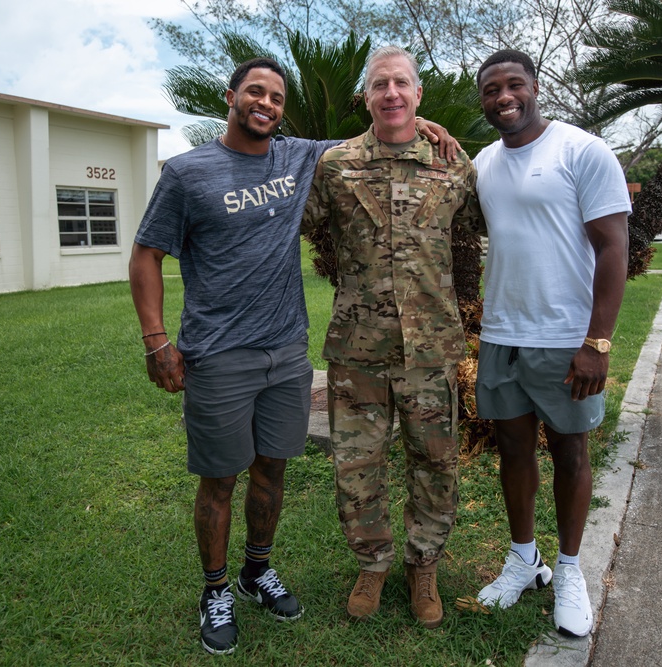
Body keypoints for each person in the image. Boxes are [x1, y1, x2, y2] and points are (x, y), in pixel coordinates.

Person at [129, 57, 459, 655]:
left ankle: (259, 571)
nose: (266, 103)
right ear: (230, 96)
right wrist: (157, 341)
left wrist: (422, 121)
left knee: (273, 469)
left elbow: (386, 131)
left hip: (285, 349)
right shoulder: (188, 172)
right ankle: (216, 589)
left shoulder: (301, 156)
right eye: (255, 92)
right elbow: (146, 253)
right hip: (219, 351)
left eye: (276, 97)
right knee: (220, 479)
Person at [302, 46, 484, 629]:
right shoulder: (335, 165)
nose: (391, 94)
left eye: (401, 83)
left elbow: (491, 226)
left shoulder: (455, 163)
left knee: (435, 464)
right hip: (358, 350)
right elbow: (290, 218)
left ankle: (423, 566)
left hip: (431, 350)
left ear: (418, 94)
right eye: (380, 84)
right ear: (366, 96)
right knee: (358, 468)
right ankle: (374, 564)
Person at [471, 50, 630, 638]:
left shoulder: (581, 151)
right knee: (513, 453)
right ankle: (523, 560)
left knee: (570, 455)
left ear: (536, 88)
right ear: (483, 99)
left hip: (567, 342)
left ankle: (567, 570)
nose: (504, 97)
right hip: (501, 336)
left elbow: (614, 247)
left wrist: (598, 343)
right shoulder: (483, 162)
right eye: (491, 90)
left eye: (514, 85)